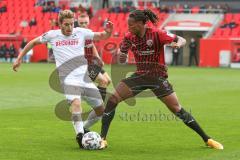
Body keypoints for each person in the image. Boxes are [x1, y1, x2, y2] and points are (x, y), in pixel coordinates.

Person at [99, 9, 223, 150]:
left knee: (177, 109)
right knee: (113, 100)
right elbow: (123, 51)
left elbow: (181, 39)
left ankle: (207, 139)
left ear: (142, 23)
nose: (129, 28)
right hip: (139, 76)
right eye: (128, 25)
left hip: (157, 77)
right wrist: (122, 56)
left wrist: (178, 44)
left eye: (132, 25)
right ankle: (103, 139)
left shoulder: (157, 34)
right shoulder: (129, 36)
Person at [13, 9, 113, 149]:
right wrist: (19, 58)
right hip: (68, 79)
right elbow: (33, 42)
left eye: (72, 24)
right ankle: (79, 136)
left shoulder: (81, 32)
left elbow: (102, 35)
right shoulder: (52, 35)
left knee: (100, 111)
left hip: (84, 78)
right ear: (60, 24)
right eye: (66, 24)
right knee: (76, 103)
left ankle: (83, 129)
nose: (69, 27)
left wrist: (108, 31)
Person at [78, 14, 111, 104]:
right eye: (81, 23)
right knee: (103, 81)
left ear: (89, 22)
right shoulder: (77, 34)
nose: (84, 24)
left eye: (85, 22)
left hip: (92, 63)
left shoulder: (89, 32)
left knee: (108, 80)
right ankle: (101, 107)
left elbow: (92, 46)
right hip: (84, 65)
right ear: (78, 23)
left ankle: (86, 94)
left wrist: (98, 58)